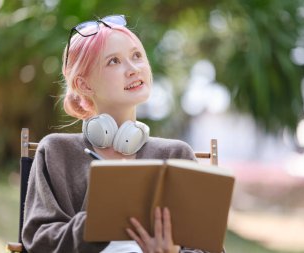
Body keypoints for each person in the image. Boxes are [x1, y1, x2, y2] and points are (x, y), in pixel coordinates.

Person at [22, 15, 220, 253]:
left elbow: (209, 248)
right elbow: (38, 242)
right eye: (113, 61)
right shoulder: (56, 152)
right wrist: (99, 221)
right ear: (84, 85)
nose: (133, 69)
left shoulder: (177, 154)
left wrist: (173, 252)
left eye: (137, 56)